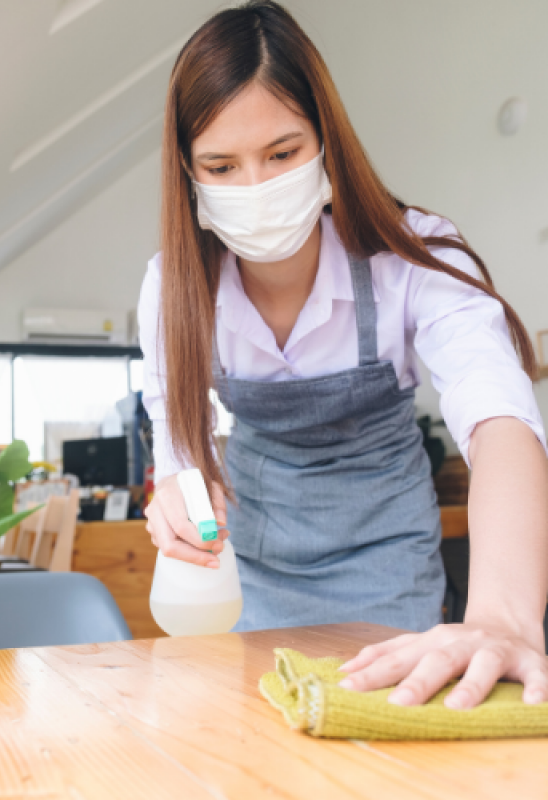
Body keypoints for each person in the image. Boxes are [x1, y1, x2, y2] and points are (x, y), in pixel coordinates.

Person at [139, 1, 548, 710]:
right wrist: (176, 497)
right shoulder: (173, 290)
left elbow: (501, 420)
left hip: (389, 581)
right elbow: (178, 443)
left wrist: (502, 619)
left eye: (282, 153)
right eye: (221, 165)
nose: (256, 188)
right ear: (187, 170)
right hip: (252, 587)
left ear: (325, 139)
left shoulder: (413, 259)